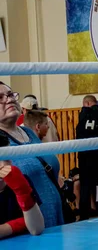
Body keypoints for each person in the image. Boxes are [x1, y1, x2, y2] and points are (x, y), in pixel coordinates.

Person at [0, 82, 64, 227]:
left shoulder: (29, 132)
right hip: (27, 227)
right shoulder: (1, 144)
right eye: (0, 98)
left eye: (10, 95)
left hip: (57, 219)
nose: (9, 99)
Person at [0, 134, 44, 239]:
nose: (2, 165)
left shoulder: (22, 180)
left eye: (6, 158)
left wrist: (22, 190)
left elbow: (37, 228)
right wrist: (22, 223)